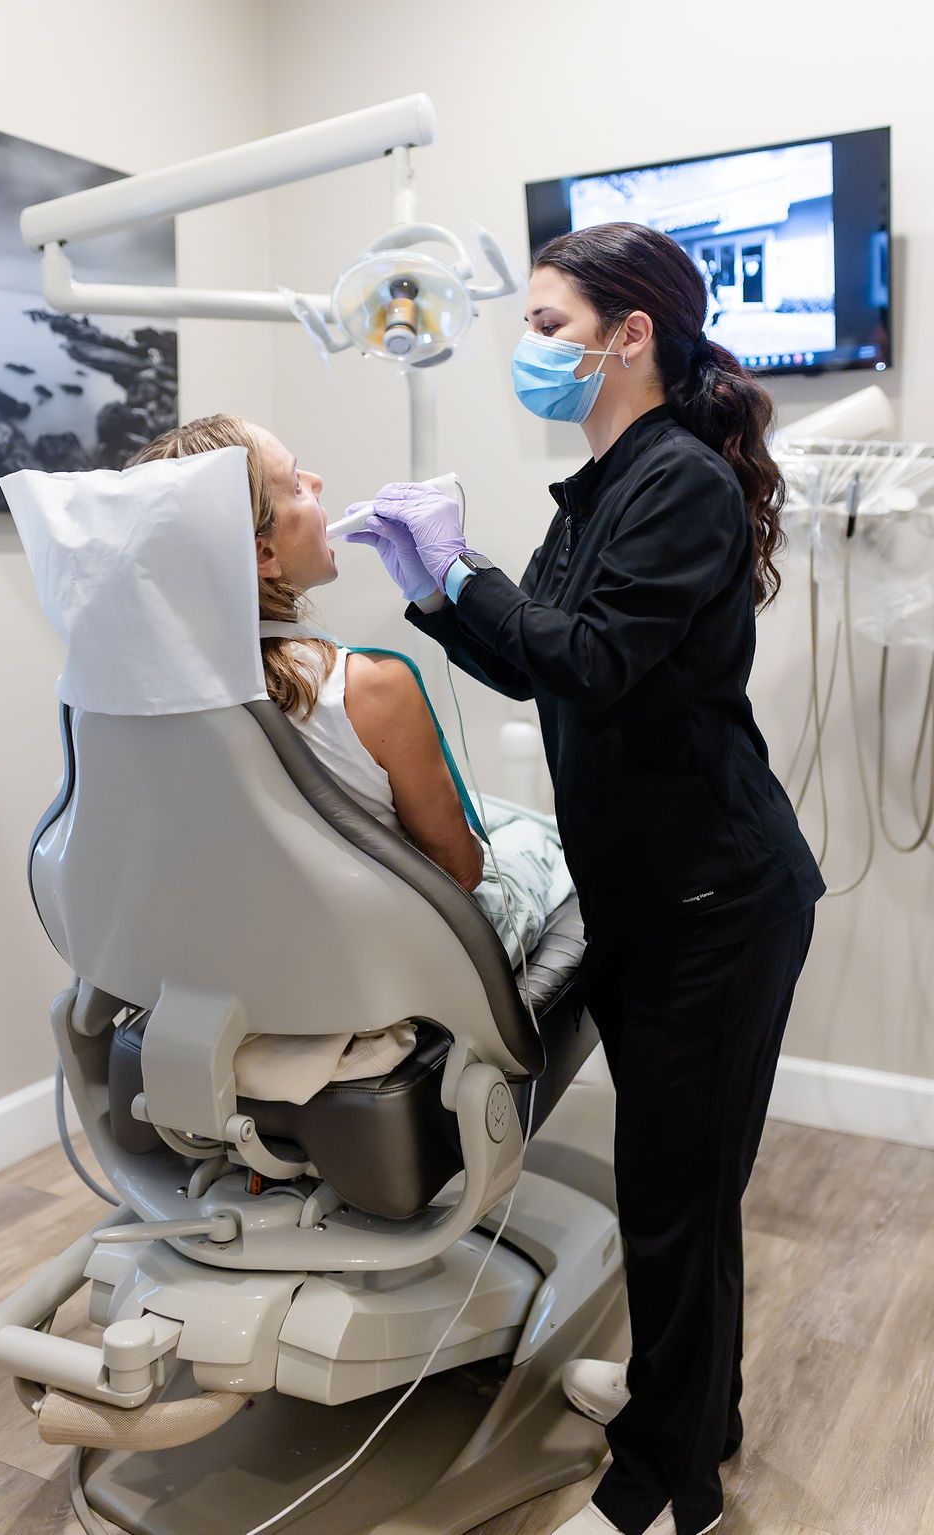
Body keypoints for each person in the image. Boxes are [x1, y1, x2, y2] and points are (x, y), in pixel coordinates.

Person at [345, 221, 826, 1535]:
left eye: (550, 324)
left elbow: (599, 657)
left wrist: (461, 569)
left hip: (716, 901)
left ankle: (666, 1481)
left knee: (674, 1194)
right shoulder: (604, 477)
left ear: (631, 338)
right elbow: (541, 657)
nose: (529, 346)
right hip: (649, 892)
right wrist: (438, 592)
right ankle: (693, 1405)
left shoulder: (675, 478)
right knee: (680, 1184)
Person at [126, 415, 574, 973]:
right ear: (264, 556)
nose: (315, 481)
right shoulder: (371, 687)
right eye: (294, 484)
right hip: (372, 971)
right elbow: (459, 874)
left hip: (224, 962)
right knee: (547, 847)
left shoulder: (126, 697)